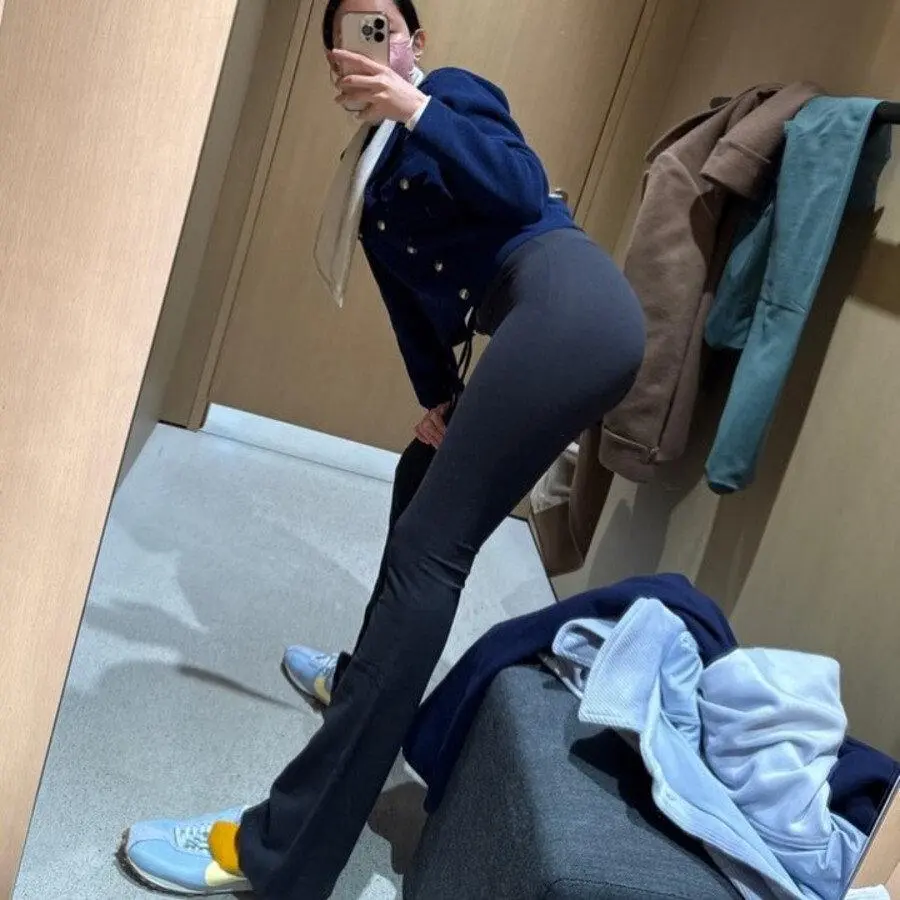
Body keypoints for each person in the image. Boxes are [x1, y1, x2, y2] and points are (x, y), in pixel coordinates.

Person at [120, 0, 645, 896]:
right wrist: (440, 397)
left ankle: (278, 854)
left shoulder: (452, 95)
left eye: (382, 27)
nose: (364, 48)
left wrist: (416, 107)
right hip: (538, 318)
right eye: (347, 36)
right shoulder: (371, 173)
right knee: (422, 476)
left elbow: (521, 189)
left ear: (415, 43)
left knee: (428, 556)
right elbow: (416, 304)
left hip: (568, 298)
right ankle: (366, 682)